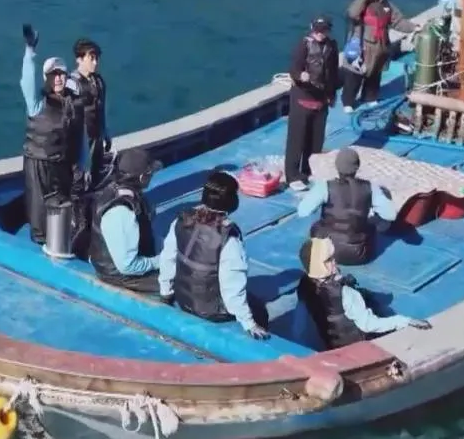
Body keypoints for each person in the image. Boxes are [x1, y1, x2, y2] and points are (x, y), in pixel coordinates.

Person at [158, 172, 270, 340]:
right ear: (232, 201)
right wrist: (249, 323)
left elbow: (168, 258)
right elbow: (232, 288)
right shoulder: (228, 239)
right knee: (259, 309)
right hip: (210, 310)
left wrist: (166, 293)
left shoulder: (181, 220)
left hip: (183, 299)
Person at [297, 238, 431, 351]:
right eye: (329, 260)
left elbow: (302, 324)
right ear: (320, 266)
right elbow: (368, 324)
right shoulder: (346, 293)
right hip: (356, 346)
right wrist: (404, 321)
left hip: (332, 344)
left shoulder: (304, 286)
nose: (335, 261)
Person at [19, 23, 86, 245]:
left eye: (61, 74)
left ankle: (60, 243)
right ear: (46, 78)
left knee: (63, 210)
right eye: (53, 75)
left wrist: (82, 165)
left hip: (62, 165)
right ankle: (39, 246)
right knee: (39, 216)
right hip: (38, 165)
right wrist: (30, 51)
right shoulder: (37, 104)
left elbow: (80, 138)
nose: (58, 78)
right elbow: (27, 81)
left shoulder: (73, 104)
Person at [296, 149, 397, 266]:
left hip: (326, 253)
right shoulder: (370, 187)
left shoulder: (325, 186)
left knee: (317, 226)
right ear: (357, 166)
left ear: (336, 166)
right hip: (360, 254)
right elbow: (390, 215)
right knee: (372, 223)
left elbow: (302, 211)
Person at [87, 148, 162, 293]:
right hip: (120, 276)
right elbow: (128, 266)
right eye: (150, 173)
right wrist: (161, 261)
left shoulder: (116, 190)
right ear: (142, 178)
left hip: (128, 264)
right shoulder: (121, 211)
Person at [343, 0, 418, 112]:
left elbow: (398, 22)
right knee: (354, 75)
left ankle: (369, 98)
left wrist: (413, 27)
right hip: (362, 46)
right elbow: (352, 14)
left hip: (380, 47)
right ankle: (348, 102)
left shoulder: (388, 6)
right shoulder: (361, 4)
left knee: (374, 75)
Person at [285, 17, 339, 191]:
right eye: (317, 30)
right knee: (297, 140)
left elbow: (333, 73)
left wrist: (332, 94)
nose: (320, 33)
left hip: (321, 101)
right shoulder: (304, 45)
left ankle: (309, 171)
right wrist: (300, 75)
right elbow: (294, 68)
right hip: (302, 99)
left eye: (323, 30)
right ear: (311, 29)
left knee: (316, 140)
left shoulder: (332, 46)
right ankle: (292, 176)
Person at [69, 38, 111, 189]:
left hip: (96, 137)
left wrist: (106, 133)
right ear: (79, 59)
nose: (95, 62)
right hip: (81, 141)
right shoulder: (72, 84)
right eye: (91, 58)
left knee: (96, 174)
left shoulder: (99, 82)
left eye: (96, 58)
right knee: (81, 178)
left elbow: (102, 108)